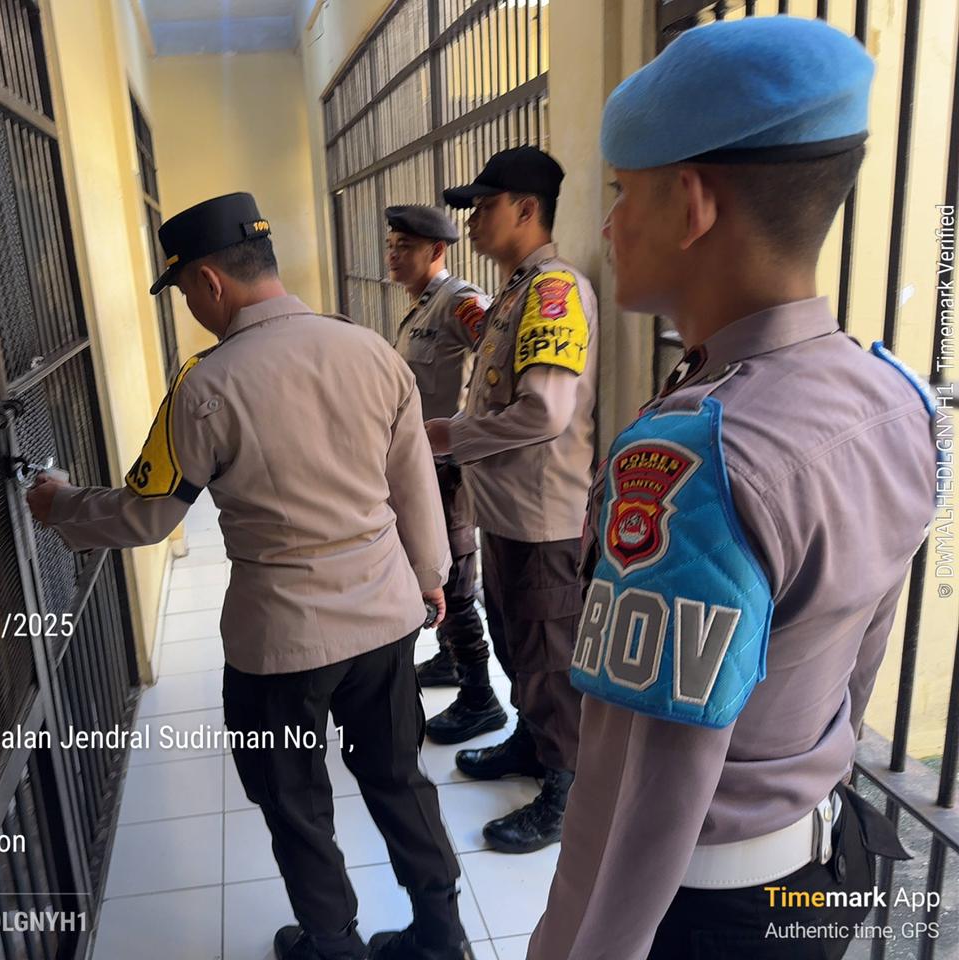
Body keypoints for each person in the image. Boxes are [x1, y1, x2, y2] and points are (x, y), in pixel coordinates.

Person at [530, 17, 935, 958]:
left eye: (623, 192)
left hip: (705, 915)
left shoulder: (693, 461)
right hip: (818, 873)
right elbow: (860, 661)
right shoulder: (897, 396)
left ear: (691, 202)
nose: (608, 226)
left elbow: (635, 791)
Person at [25, 193, 474, 960]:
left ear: (209, 282)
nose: (193, 310)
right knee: (400, 779)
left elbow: (147, 515)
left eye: (186, 294)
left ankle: (333, 946)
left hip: (280, 646)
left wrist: (59, 504)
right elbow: (414, 482)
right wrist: (429, 575)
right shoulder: (370, 350)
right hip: (384, 620)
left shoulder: (204, 386)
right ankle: (443, 938)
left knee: (295, 803)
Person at [426, 146, 599, 855]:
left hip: (542, 516)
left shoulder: (554, 291)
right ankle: (532, 742)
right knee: (518, 643)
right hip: (507, 510)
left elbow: (546, 413)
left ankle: (567, 789)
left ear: (528, 209)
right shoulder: (515, 292)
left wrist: (453, 436)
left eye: (484, 206)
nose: (471, 221)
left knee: (549, 657)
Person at [385, 204, 500, 730]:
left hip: (449, 470)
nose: (394, 256)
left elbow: (500, 366)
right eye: (391, 246)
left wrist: (467, 430)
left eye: (406, 247)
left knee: (452, 578)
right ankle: (451, 660)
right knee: (431, 565)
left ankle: (481, 697)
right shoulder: (419, 308)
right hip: (422, 467)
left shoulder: (461, 302)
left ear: (437, 250)